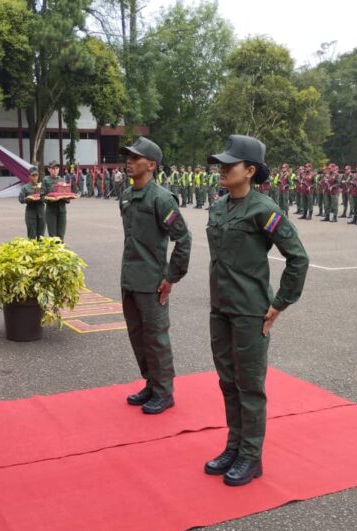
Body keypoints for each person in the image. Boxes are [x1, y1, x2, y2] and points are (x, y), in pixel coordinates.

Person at [204, 135, 308, 486]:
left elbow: (298, 257)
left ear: (249, 171)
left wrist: (280, 302)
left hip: (250, 311)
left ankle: (251, 456)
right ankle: (234, 446)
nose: (222, 169)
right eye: (221, 163)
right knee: (228, 382)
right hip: (221, 308)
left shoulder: (264, 209)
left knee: (249, 386)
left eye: (229, 164)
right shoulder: (219, 207)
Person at [118, 137, 192, 415]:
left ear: (151, 165)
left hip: (152, 282)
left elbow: (183, 239)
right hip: (129, 279)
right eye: (128, 157)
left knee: (156, 338)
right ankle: (151, 383)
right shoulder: (126, 195)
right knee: (137, 336)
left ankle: (164, 392)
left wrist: (171, 277)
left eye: (135, 158)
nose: (129, 162)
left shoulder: (161, 198)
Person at [43, 161, 70, 240]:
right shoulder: (46, 180)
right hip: (51, 211)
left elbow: (66, 194)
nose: (55, 170)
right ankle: (54, 251)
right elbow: (42, 196)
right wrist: (49, 199)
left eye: (57, 168)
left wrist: (68, 199)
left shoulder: (62, 180)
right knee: (53, 235)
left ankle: (61, 251)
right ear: (49, 169)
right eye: (53, 168)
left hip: (62, 210)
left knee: (61, 234)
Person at [18, 166, 46, 239]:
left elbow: (46, 198)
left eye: (36, 175)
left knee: (41, 236)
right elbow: (21, 199)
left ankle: (41, 250)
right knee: (32, 235)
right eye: (33, 175)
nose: (35, 177)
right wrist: (28, 199)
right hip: (31, 213)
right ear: (29, 176)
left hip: (41, 213)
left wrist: (43, 198)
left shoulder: (42, 186)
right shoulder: (25, 187)